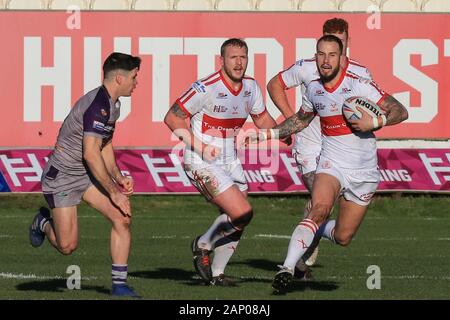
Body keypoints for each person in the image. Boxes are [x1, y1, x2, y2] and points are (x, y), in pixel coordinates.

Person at [245, 34, 408, 293]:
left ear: (342, 59)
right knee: (319, 208)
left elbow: (400, 110)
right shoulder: (313, 89)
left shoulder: (360, 85)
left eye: (332, 55)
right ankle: (287, 268)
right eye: (321, 54)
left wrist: (374, 123)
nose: (325, 60)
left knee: (343, 237)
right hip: (331, 163)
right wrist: (267, 134)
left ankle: (317, 232)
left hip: (363, 171)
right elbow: (300, 119)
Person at [164, 38, 279, 286]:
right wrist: (202, 147)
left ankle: (217, 275)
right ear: (222, 60)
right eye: (233, 57)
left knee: (240, 220)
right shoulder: (207, 87)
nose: (239, 63)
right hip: (201, 160)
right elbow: (172, 118)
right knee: (242, 212)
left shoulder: (251, 87)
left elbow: (263, 121)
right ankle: (202, 244)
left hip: (230, 160)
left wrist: (287, 132)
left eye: (243, 57)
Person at [29, 52, 141, 297]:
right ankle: (43, 222)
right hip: (63, 177)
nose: (136, 83)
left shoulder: (113, 104)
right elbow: (91, 154)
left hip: (86, 174)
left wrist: (117, 176)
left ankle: (119, 285)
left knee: (122, 217)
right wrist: (114, 192)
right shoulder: (97, 106)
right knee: (67, 246)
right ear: (119, 79)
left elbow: (105, 145)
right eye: (134, 77)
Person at [267, 18, 373, 272]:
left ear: (348, 41)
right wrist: (289, 117)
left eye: (341, 39)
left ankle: (308, 238)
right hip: (311, 146)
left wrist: (371, 122)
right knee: (321, 204)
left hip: (343, 151)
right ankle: (295, 262)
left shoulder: (361, 74)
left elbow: (373, 110)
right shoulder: (307, 68)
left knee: (328, 216)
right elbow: (275, 84)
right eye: (329, 38)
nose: (335, 44)